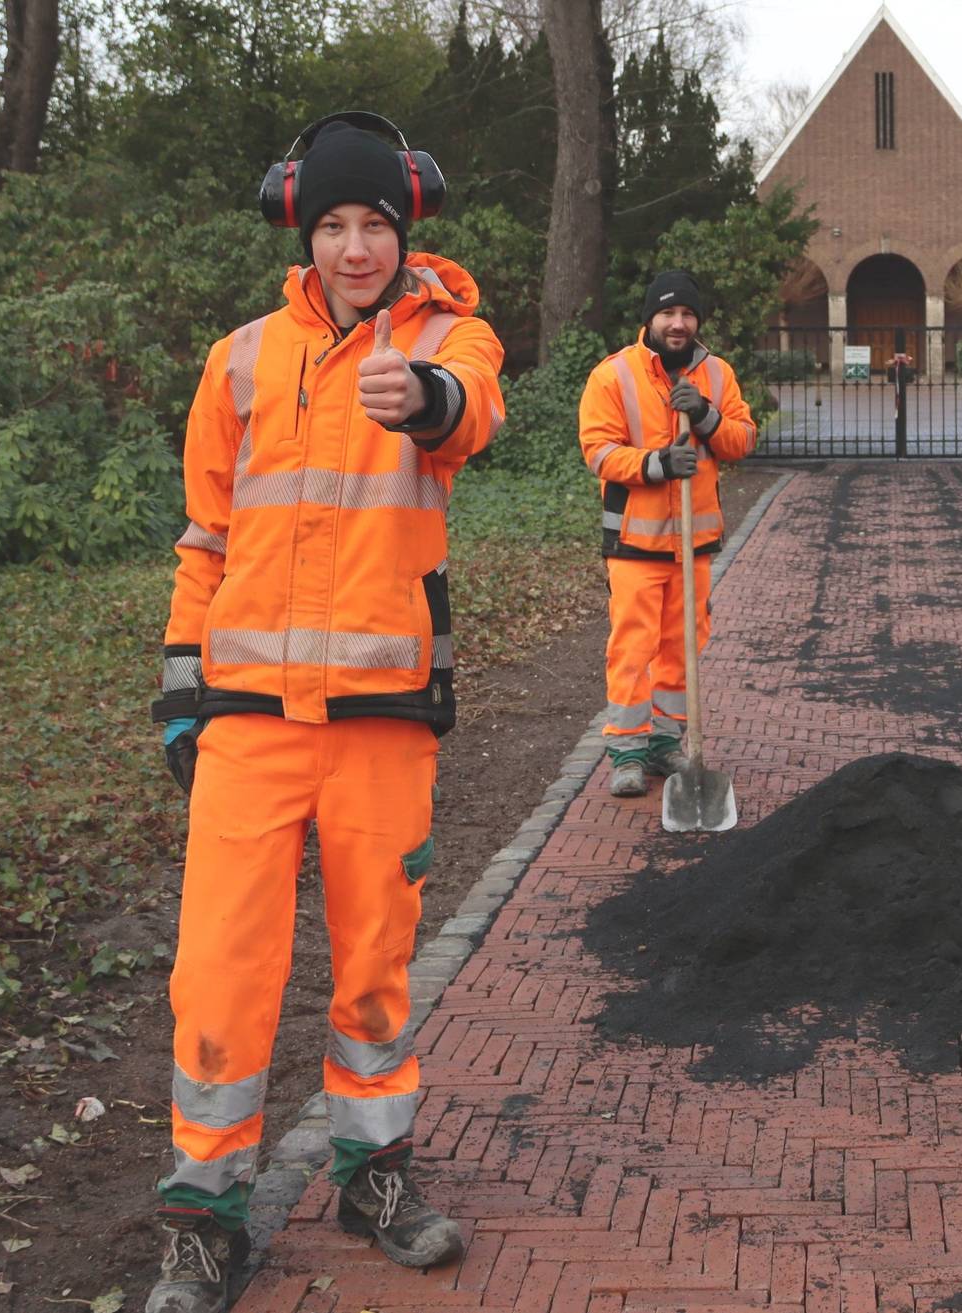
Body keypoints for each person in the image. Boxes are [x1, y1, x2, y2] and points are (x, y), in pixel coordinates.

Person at [146, 112, 504, 1312]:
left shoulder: (451, 339)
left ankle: (374, 1172)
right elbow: (204, 535)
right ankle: (202, 1214)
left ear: (408, 228)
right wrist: (179, 680)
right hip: (248, 718)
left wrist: (431, 397)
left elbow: (474, 417)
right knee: (219, 972)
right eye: (335, 225)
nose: (357, 247)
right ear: (302, 229)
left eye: (377, 225)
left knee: (374, 965)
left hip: (383, 717)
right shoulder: (239, 360)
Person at [578, 271, 756, 794]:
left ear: (697, 321)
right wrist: (656, 464)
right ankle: (627, 751)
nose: (677, 324)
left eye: (687, 315)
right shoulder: (613, 376)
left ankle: (664, 742)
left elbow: (742, 439)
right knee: (633, 648)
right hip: (636, 542)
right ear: (649, 319)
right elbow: (599, 451)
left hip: (694, 545)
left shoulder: (718, 375)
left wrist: (703, 415)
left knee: (683, 648)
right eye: (668, 314)